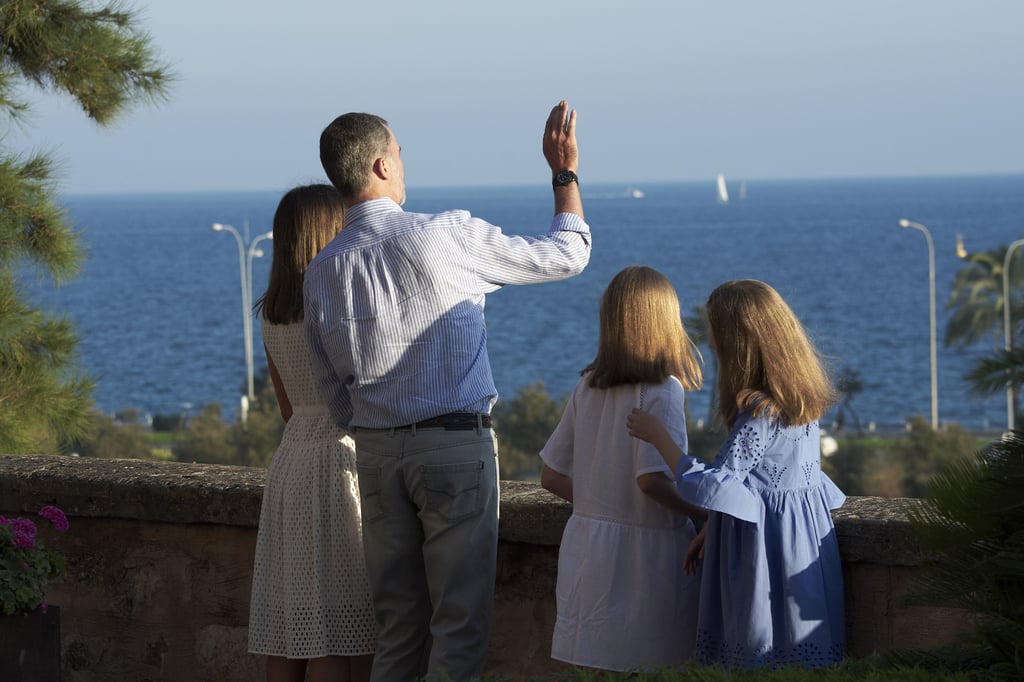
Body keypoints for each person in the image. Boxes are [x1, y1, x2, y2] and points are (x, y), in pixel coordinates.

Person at [304, 101, 590, 682]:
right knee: (458, 630)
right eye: (400, 152)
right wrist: (564, 175)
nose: (404, 162)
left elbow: (335, 398)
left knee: (399, 630)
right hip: (452, 448)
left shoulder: (322, 270)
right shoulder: (442, 235)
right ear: (382, 165)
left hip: (377, 454)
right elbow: (568, 254)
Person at [627, 279, 846, 670]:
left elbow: (719, 483)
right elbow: (763, 481)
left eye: (715, 333)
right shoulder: (800, 404)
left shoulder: (761, 412)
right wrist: (713, 528)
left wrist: (659, 437)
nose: (710, 343)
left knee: (761, 644)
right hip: (802, 540)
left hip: (766, 548)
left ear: (737, 343)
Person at [539, 265, 705, 672]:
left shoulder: (588, 385)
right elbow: (650, 480)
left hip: (588, 555)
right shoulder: (664, 389)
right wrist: (701, 516)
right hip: (645, 561)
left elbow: (551, 474)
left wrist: (603, 500)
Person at [248, 184, 376, 682]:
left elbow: (286, 406)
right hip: (336, 461)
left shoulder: (272, 313)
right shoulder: (335, 304)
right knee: (331, 631)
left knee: (289, 624)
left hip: (290, 463)